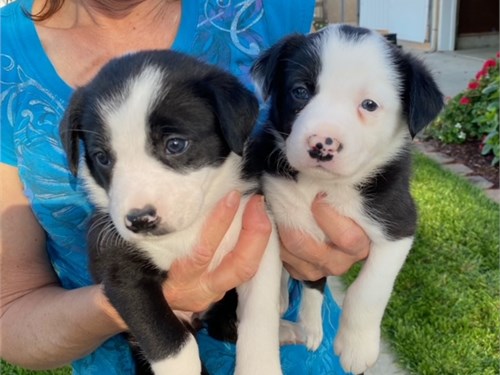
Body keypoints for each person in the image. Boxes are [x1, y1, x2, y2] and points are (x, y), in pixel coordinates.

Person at [0, 0, 370, 374]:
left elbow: (350, 110)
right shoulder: (8, 51)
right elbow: (10, 309)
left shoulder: (269, 8)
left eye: (174, 146)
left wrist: (338, 223)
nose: (136, 202)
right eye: (105, 158)